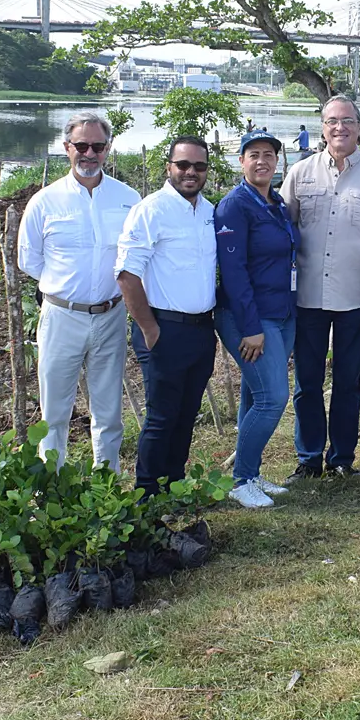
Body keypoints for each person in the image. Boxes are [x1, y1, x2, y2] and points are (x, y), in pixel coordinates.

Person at [18, 110, 140, 469]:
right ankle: (51, 489)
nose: (89, 153)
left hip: (111, 316)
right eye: (81, 145)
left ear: (108, 148)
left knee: (108, 411)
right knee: (54, 412)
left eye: (98, 146)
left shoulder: (128, 198)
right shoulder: (45, 201)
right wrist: (66, 290)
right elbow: (30, 260)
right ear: (66, 147)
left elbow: (135, 256)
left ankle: (107, 489)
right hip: (61, 317)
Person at [280, 96, 360, 482]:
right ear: (322, 127)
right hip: (308, 297)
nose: (339, 127)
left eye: (347, 120)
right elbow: (283, 232)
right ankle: (309, 458)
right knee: (307, 383)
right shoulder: (300, 173)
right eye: (332, 121)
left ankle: (342, 458)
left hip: (356, 298)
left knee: (348, 382)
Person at [116, 135, 220, 496]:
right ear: (169, 168)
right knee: (161, 417)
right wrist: (148, 328)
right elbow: (127, 274)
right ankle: (146, 493)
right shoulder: (151, 209)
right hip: (163, 328)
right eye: (183, 165)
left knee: (186, 414)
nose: (191, 172)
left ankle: (173, 485)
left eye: (199, 166)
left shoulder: (209, 212)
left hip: (201, 330)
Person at [213, 129, 299, 508]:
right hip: (249, 317)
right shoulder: (235, 206)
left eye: (269, 154)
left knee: (254, 394)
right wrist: (250, 329)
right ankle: (241, 479)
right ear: (241, 161)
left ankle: (252, 473)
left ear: (277, 162)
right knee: (273, 397)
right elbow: (233, 273)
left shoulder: (275, 202)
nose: (262, 161)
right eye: (254, 154)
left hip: (282, 313)